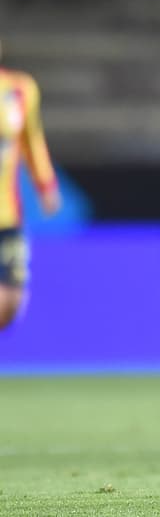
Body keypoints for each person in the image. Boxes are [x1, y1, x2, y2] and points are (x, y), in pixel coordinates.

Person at [0, 40, 62, 330]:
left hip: (7, 214)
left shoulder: (20, 89)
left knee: (11, 303)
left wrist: (46, 184)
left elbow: (32, 139)